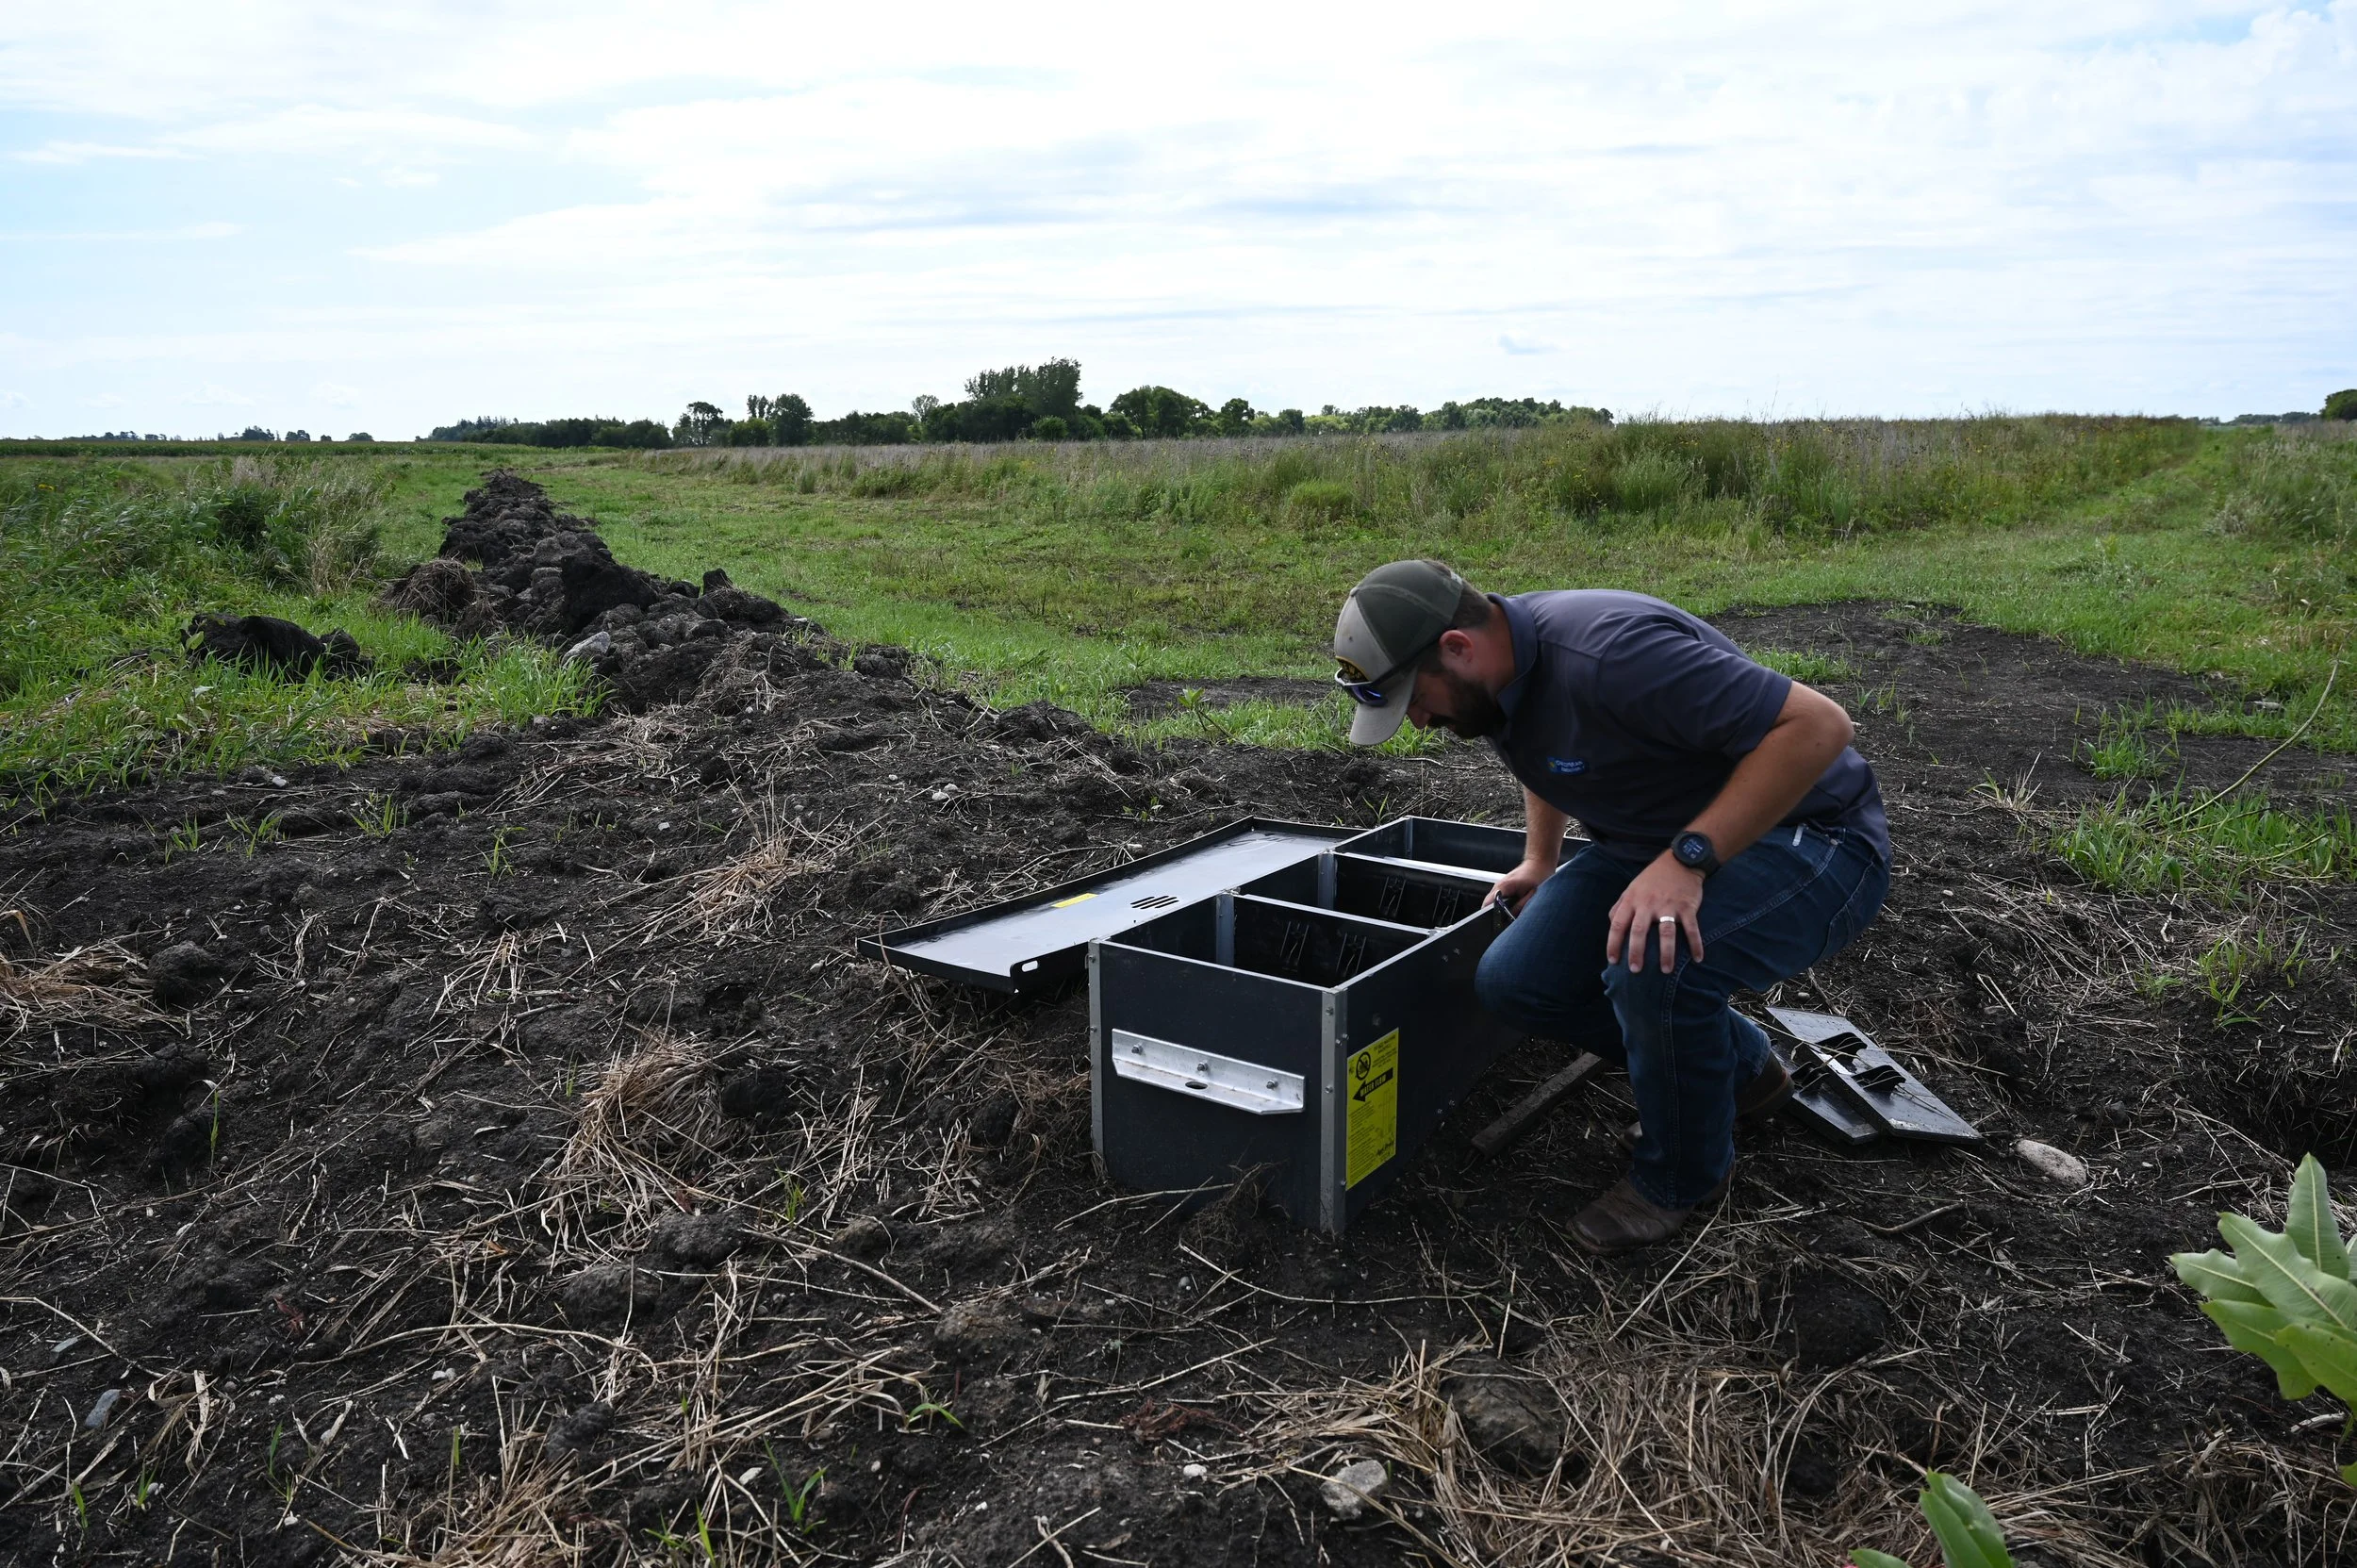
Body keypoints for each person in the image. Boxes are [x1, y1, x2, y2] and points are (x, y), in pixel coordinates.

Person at [1331, 559, 1889, 1253]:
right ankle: (1742, 1070)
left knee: (1655, 965)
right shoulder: (1499, 673)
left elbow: (1819, 726)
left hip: (1811, 834)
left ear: (1457, 648)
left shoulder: (1612, 654)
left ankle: (1680, 1176)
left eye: (1414, 697)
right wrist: (1541, 858)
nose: (1417, 720)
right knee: (1515, 981)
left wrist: (1687, 860)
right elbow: (1549, 752)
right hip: (1655, 840)